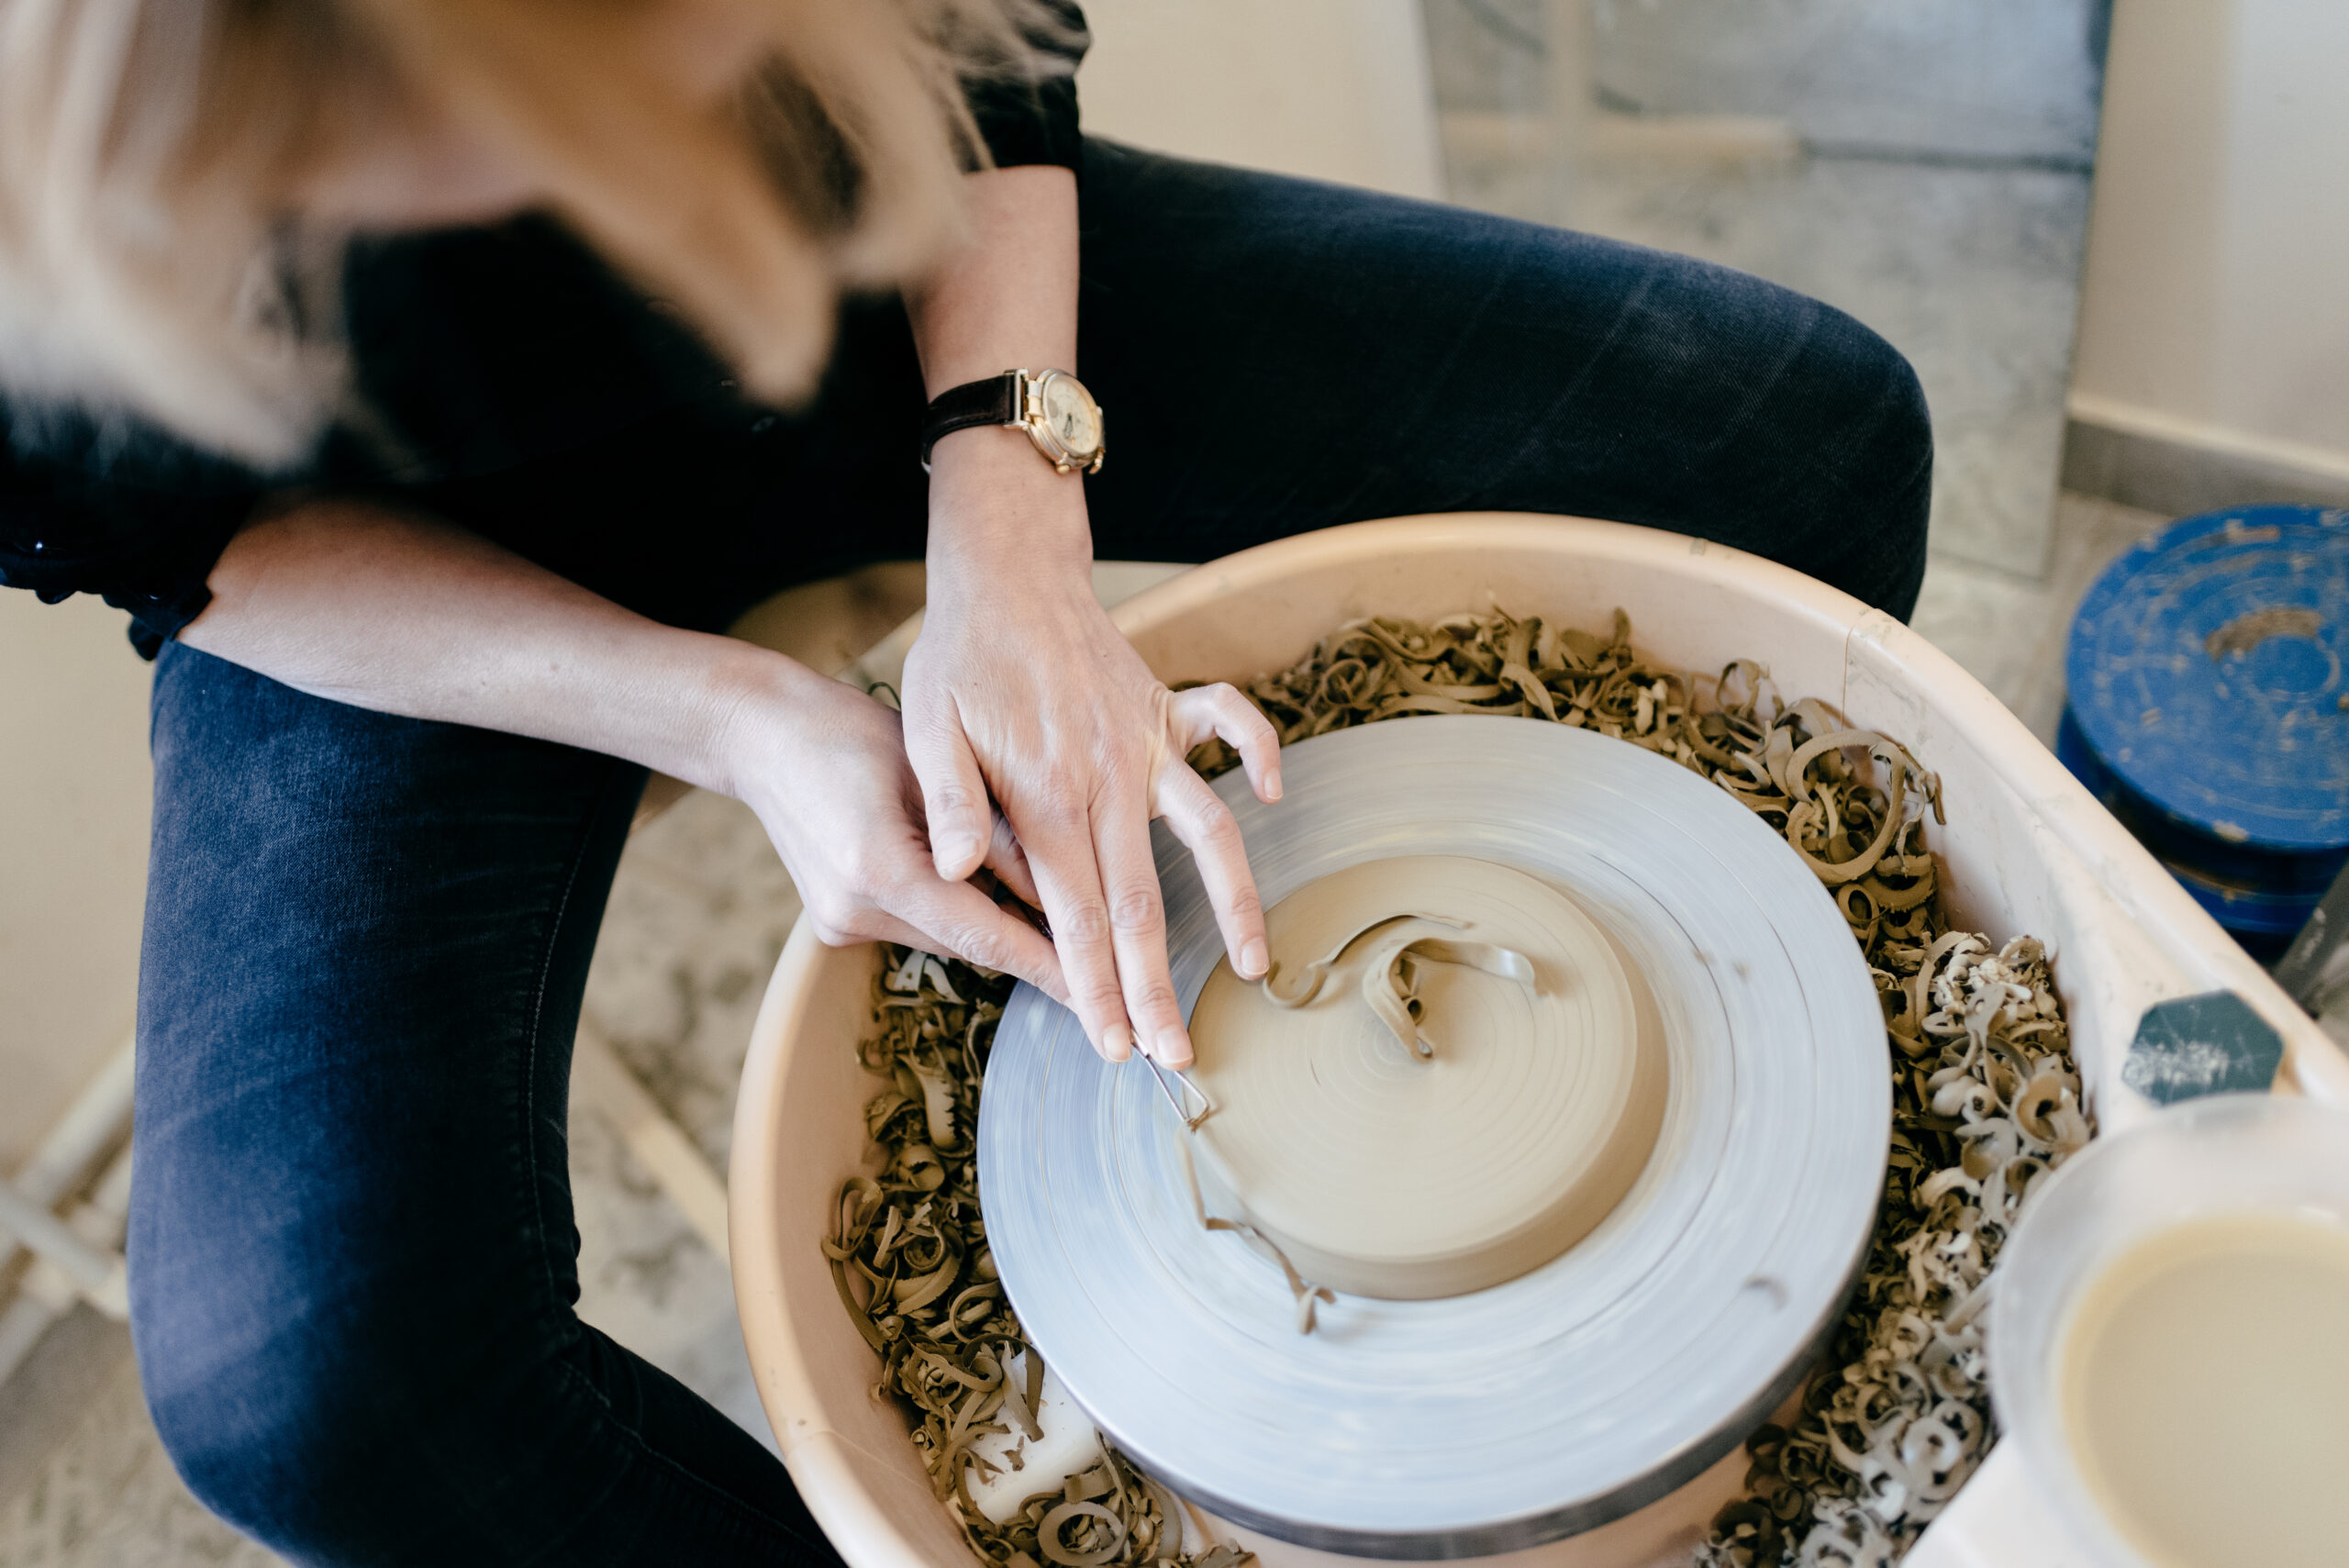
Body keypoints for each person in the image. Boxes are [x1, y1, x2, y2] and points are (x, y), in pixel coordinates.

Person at [0, 1, 1931, 1562]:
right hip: (389, 538)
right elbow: (162, 536)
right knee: (312, 1394)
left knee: (1803, 437)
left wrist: (1010, 503)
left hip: (886, 274)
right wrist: (733, 718)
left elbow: (981, 53)